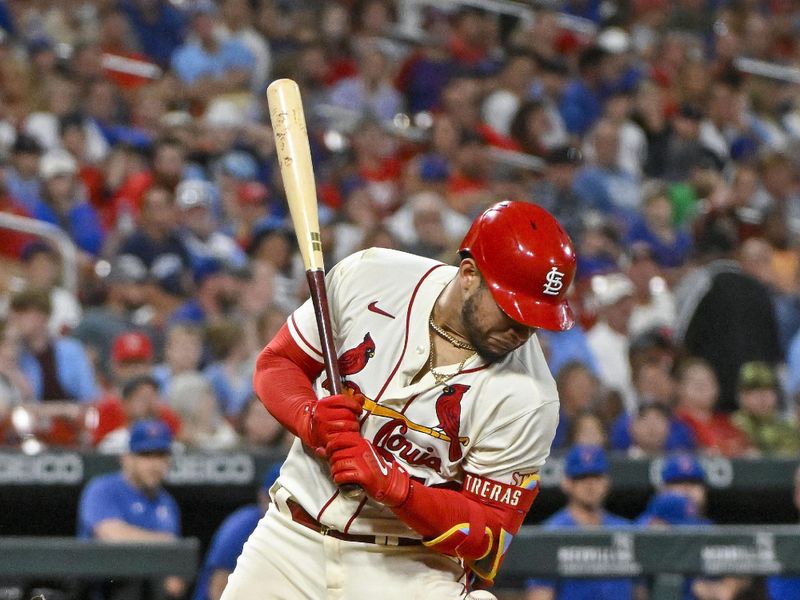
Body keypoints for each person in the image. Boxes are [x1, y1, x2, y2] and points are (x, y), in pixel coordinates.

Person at [223, 201, 576, 598]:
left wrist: (396, 487)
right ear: (468, 275)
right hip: (291, 542)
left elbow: (490, 539)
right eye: (511, 311)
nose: (522, 331)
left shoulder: (530, 397)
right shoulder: (371, 277)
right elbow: (278, 362)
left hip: (409, 569)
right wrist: (309, 419)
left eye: (534, 320)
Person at [78, 418, 185, 599]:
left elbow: (173, 576)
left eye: (161, 455)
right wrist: (166, 542)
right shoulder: (103, 489)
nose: (154, 464)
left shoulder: (167, 503)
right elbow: (112, 535)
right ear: (127, 459)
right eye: (146, 455)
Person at [525, 444, 638, 600]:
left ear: (607, 481)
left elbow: (640, 593)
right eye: (581, 477)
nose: (590, 485)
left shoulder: (626, 530)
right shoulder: (551, 533)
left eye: (596, 477)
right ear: (566, 483)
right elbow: (540, 595)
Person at [192, 465, 282, 600]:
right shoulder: (242, 526)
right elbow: (217, 589)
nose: (275, 506)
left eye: (282, 501)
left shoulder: (292, 531)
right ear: (261, 497)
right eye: (271, 499)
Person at [732, 361, 800, 456]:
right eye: (754, 391)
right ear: (742, 396)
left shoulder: (789, 428)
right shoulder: (731, 427)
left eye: (768, 390)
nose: (762, 397)